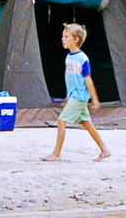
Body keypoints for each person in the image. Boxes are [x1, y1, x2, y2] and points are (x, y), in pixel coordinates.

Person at [42, 24, 111, 162]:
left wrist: (95, 99)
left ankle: (56, 154)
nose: (62, 39)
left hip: (79, 97)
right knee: (86, 123)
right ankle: (105, 150)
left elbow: (88, 79)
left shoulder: (83, 59)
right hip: (74, 96)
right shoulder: (68, 57)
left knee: (61, 120)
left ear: (76, 40)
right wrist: (68, 97)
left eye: (66, 36)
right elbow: (72, 81)